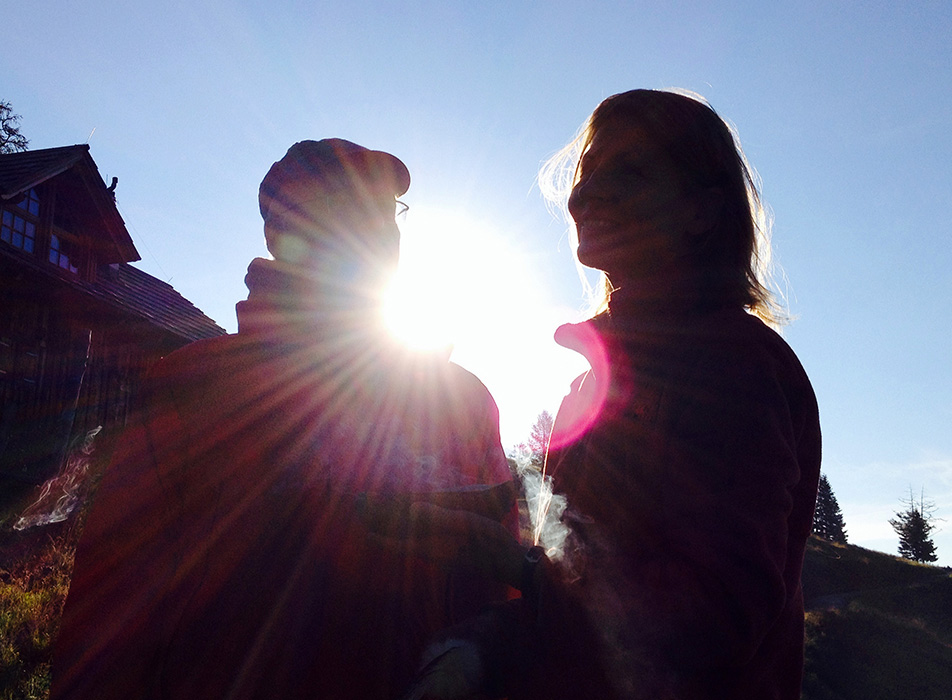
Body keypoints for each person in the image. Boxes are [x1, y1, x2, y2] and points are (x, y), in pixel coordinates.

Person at [386, 89, 821, 700]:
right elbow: (588, 591)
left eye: (632, 172)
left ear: (702, 210)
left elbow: (710, 625)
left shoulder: (731, 365)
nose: (588, 195)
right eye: (587, 174)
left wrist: (513, 568)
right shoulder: (600, 379)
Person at [51, 139, 515, 700]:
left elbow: (501, 600)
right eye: (342, 203)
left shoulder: (462, 401)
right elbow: (110, 616)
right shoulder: (196, 386)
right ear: (279, 233)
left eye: (385, 210)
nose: (375, 226)